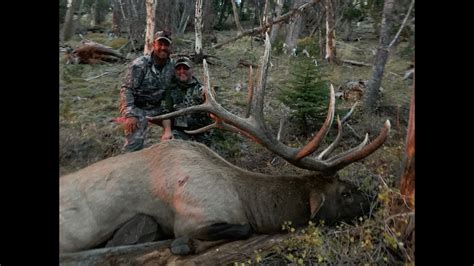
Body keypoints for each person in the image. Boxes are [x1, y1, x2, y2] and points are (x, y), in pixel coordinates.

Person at [119, 30, 175, 152]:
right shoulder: (139, 65)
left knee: (181, 127)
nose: (163, 48)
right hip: (139, 109)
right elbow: (126, 89)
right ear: (153, 45)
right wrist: (130, 114)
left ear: (170, 47)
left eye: (166, 45)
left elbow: (178, 85)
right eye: (160, 44)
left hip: (159, 108)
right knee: (134, 145)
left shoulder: (172, 66)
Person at [161, 56, 213, 144]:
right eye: (178, 69)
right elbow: (166, 113)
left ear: (192, 70)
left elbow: (212, 115)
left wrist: (210, 98)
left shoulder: (203, 90)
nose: (182, 71)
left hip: (202, 133)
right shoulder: (170, 90)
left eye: (185, 68)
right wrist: (167, 131)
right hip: (180, 132)